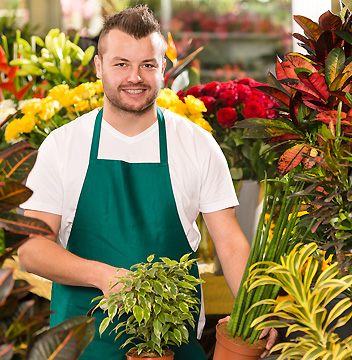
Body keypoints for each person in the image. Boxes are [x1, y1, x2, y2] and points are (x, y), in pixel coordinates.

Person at [17, 5, 275, 360]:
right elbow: (31, 249)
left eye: (148, 65)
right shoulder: (64, 145)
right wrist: (103, 276)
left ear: (163, 69)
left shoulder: (196, 144)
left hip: (174, 346)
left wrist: (255, 310)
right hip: (80, 347)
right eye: (121, 63)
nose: (134, 77)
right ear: (99, 67)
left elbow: (230, 245)